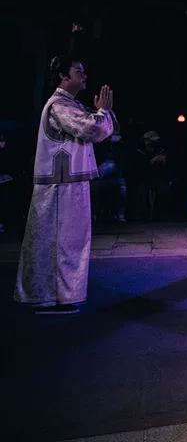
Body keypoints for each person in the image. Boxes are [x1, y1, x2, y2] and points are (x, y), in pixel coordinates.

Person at [14, 55, 115, 315]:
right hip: (61, 185)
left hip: (67, 182)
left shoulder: (70, 104)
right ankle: (55, 297)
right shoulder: (60, 106)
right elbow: (93, 129)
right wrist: (103, 112)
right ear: (63, 76)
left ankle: (56, 296)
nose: (84, 75)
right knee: (62, 241)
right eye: (78, 71)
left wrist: (101, 114)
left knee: (66, 240)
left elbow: (99, 129)